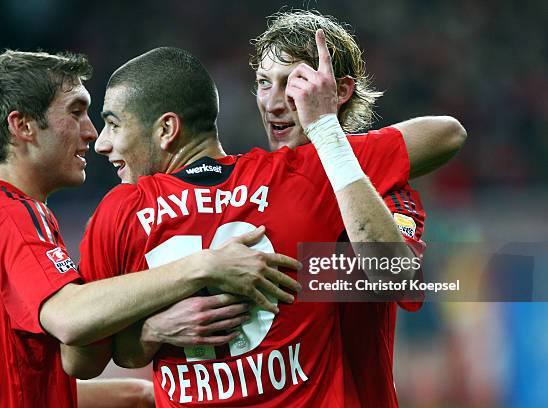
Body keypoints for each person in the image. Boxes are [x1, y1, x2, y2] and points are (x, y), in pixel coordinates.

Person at [100, 10, 466, 407]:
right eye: (262, 83)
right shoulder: (243, 185)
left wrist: (325, 132)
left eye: (294, 84)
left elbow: (396, 279)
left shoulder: (382, 190)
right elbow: (123, 349)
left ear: (337, 92)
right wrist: (155, 327)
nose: (274, 102)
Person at [0, 50, 300, 407]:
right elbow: (69, 318)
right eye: (76, 112)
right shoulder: (12, 215)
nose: (93, 134)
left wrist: (141, 383)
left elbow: (2, 381)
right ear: (23, 126)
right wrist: (204, 266)